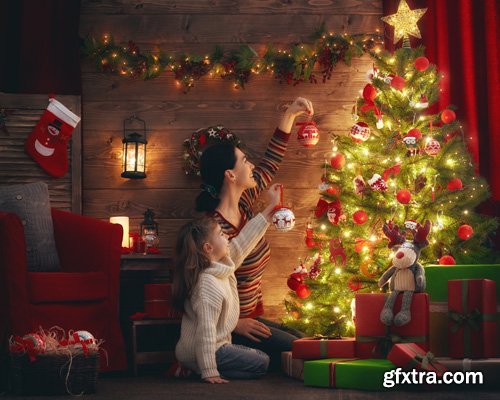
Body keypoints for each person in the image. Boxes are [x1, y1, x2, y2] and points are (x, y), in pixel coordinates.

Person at [194, 97, 313, 368]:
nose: (251, 167)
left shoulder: (244, 205)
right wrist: (235, 323)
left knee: (308, 341)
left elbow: (270, 161)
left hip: (253, 319)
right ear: (230, 175)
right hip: (233, 330)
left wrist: (291, 114)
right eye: (245, 162)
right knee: (304, 351)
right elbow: (199, 293)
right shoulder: (214, 230)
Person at [173, 184, 282, 383]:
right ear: (208, 248)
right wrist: (209, 371)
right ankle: (199, 369)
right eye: (222, 236)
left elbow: (245, 240)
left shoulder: (223, 265)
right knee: (262, 362)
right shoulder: (208, 284)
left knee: (261, 361)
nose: (228, 237)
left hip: (219, 346)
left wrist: (271, 207)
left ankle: (204, 368)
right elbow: (205, 333)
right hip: (203, 350)